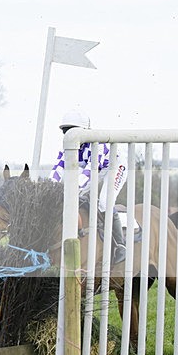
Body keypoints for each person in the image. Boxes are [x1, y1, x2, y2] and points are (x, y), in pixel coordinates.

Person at [50, 110, 128, 264]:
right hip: (95, 169)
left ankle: (120, 245)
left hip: (114, 167)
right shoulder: (68, 146)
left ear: (83, 131)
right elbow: (57, 169)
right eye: (65, 131)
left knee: (105, 202)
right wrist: (49, 188)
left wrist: (71, 190)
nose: (67, 134)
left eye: (71, 130)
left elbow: (89, 172)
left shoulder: (96, 145)